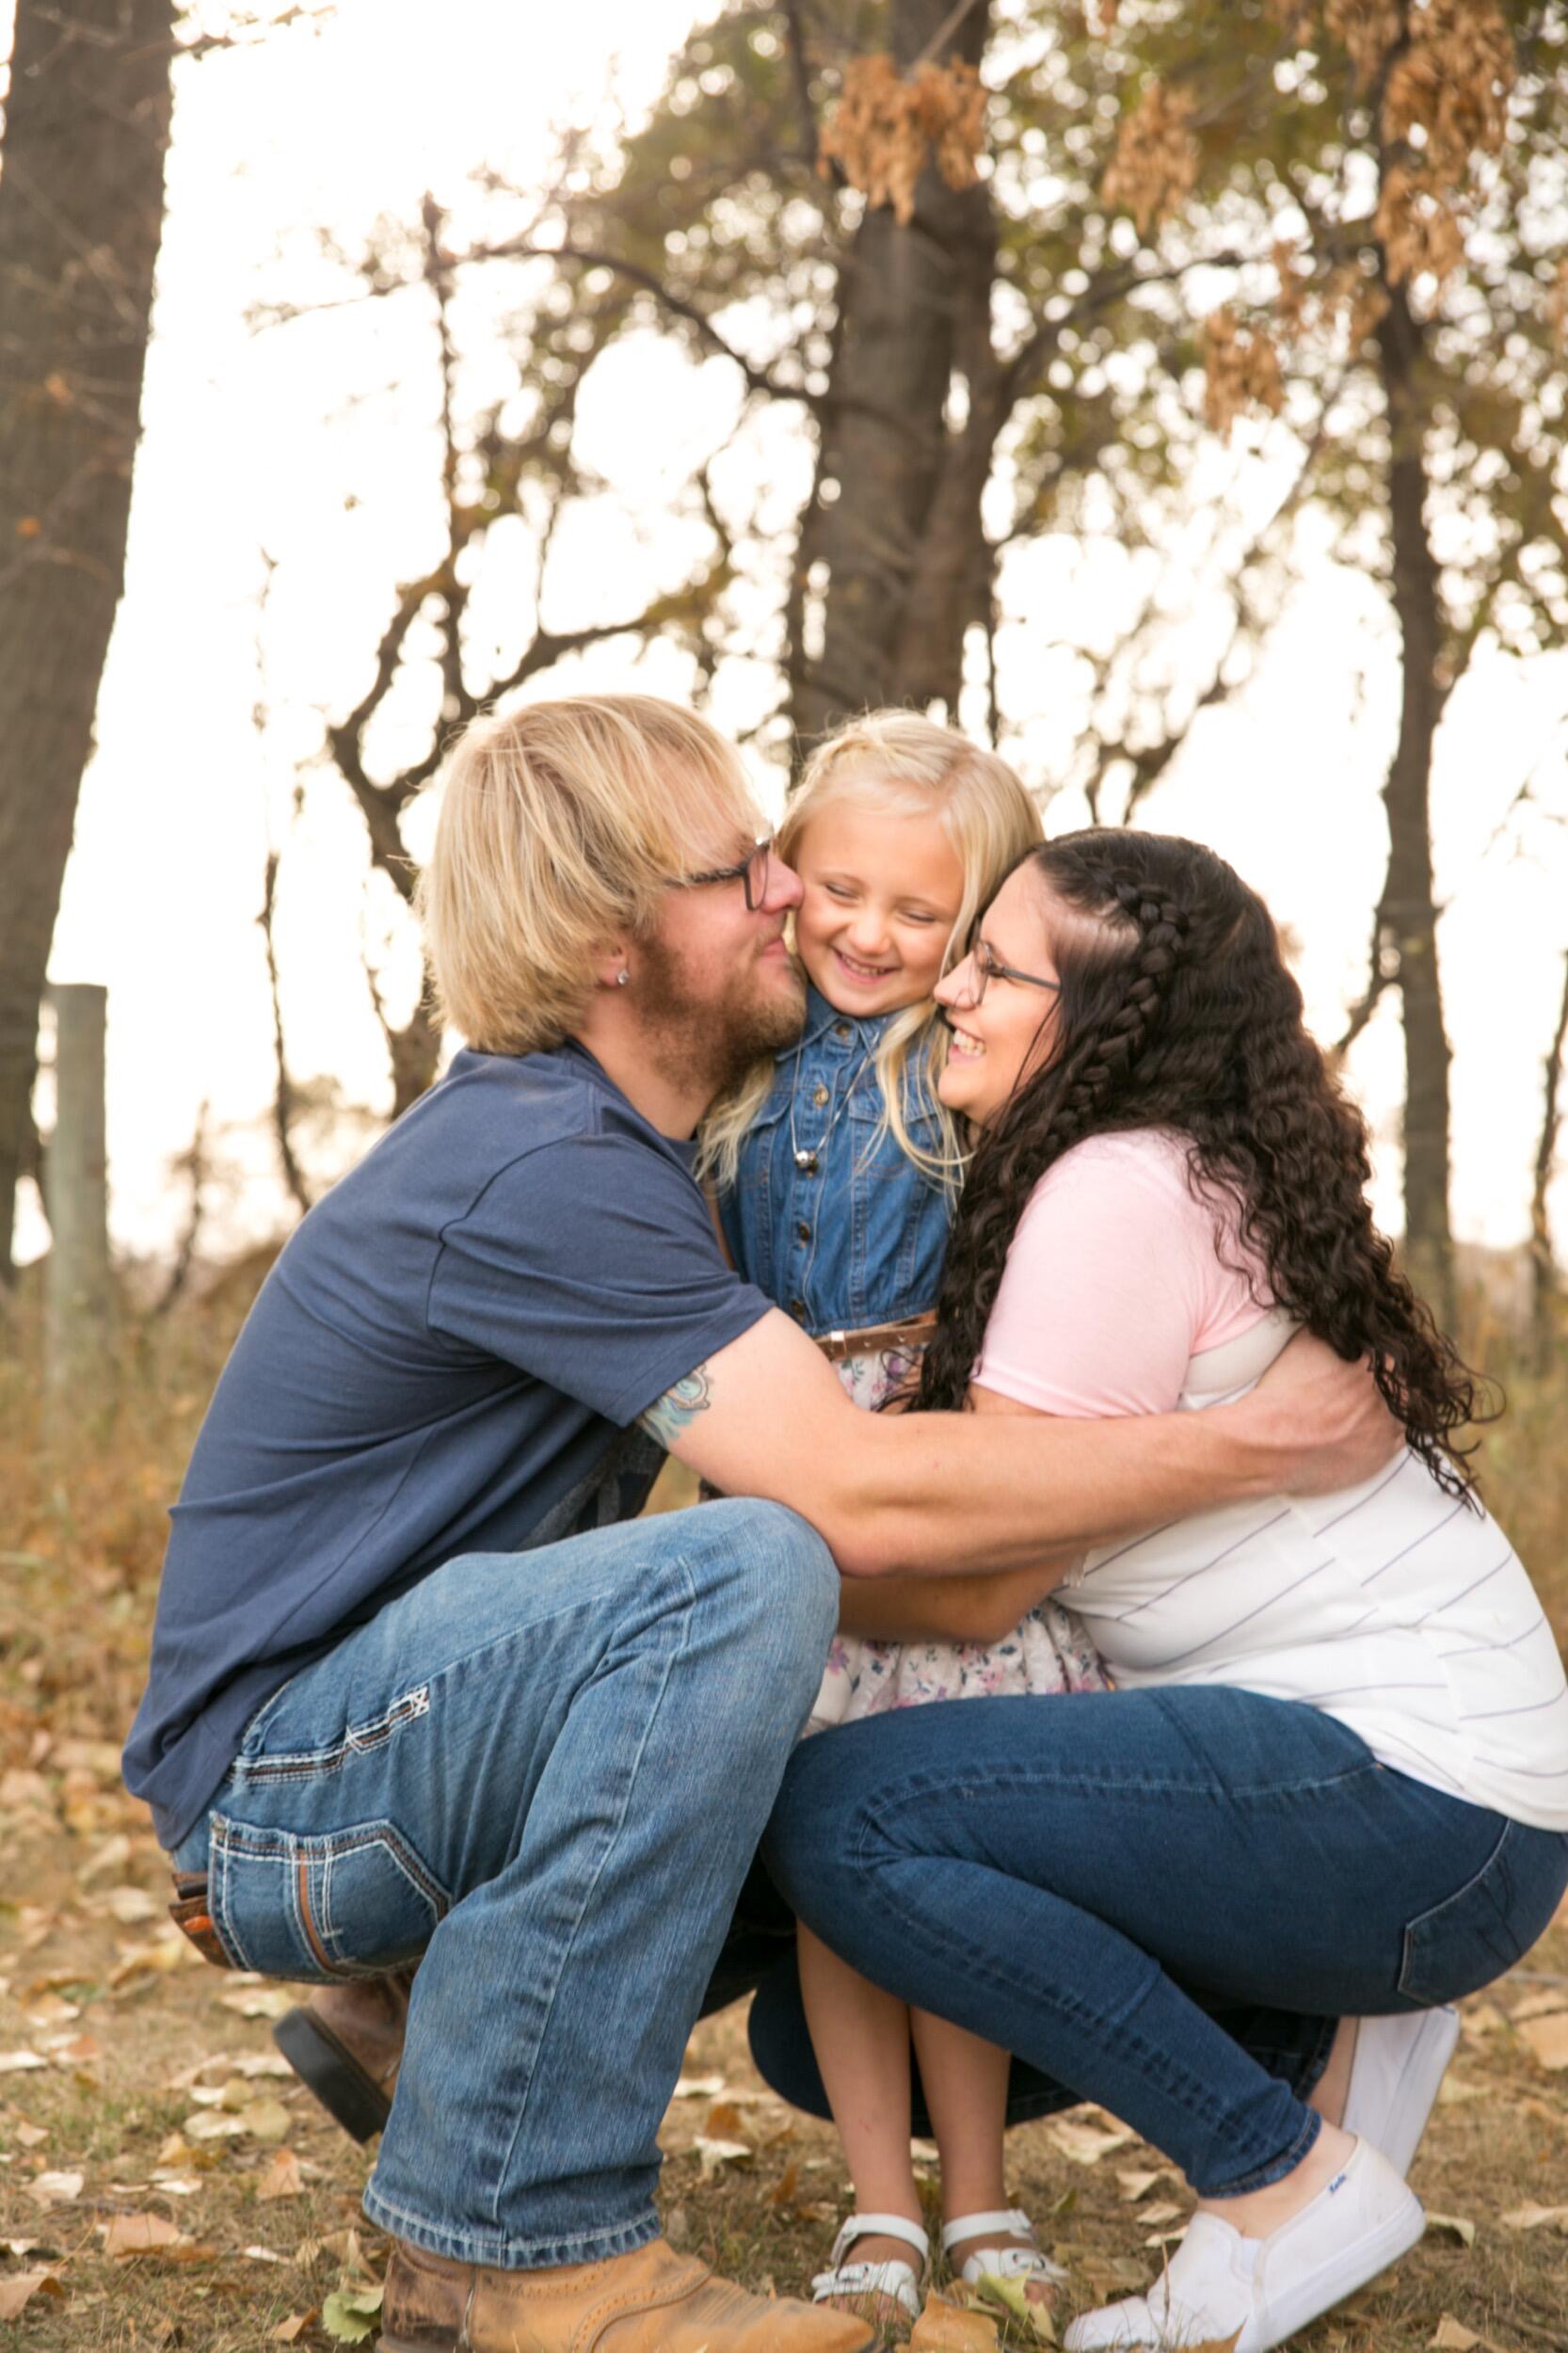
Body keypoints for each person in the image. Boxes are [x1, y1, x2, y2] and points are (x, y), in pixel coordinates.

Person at [122, 703, 1398, 2353]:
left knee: (825, 1722)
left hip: (398, 1744)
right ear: (607, 945)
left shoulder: (652, 1150)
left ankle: (438, 2133)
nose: (792, 891)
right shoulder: (536, 1163)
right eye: (743, 871)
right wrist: (1239, 1448)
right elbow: (850, 1489)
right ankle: (529, 2249)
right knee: (757, 1569)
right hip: (289, 1794)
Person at [760, 828, 1568, 2353]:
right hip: (1460, 1821)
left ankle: (1275, 2173)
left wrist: (746, 1583)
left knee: (844, 1823)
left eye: (992, 965)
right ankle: (1325, 2049)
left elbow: (976, 1577)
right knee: (816, 2037)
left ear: (1105, 1023)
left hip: (1408, 1801)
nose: (949, 984)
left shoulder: (1115, 1189)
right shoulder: (1172, 1170)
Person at [705, 711, 1105, 2329]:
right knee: (829, 1874)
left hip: (942, 1493)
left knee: (951, 1857)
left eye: (919, 912)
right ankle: (883, 2208)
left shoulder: (964, 1075)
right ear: (784, 873)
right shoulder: (733, 1055)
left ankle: (982, 2196)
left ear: (977, 931)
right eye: (839, 888)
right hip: (784, 1494)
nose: (866, 934)